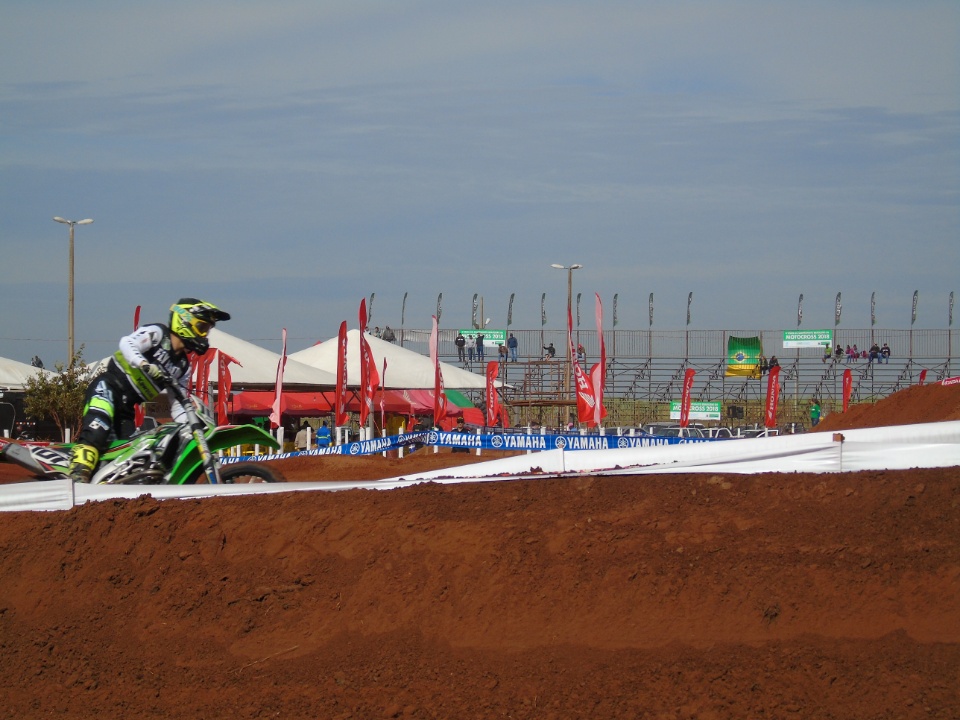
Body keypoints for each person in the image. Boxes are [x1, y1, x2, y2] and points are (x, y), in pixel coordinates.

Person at [67, 298, 230, 483]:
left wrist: (191, 425)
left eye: (207, 330)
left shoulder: (183, 366)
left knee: (127, 458)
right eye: (202, 327)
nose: (204, 335)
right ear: (184, 321)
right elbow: (127, 343)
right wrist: (144, 364)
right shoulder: (159, 333)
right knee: (97, 432)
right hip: (108, 389)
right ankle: (77, 479)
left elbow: (177, 405)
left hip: (126, 410)